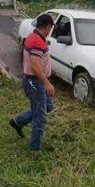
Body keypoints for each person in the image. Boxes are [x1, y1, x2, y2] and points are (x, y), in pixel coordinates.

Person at [9, 13, 56, 152]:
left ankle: (18, 121)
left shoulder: (36, 36)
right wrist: (47, 83)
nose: (51, 30)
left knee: (48, 106)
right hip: (34, 82)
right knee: (40, 117)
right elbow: (35, 66)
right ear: (48, 27)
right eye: (51, 27)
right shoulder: (36, 41)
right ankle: (35, 150)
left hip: (37, 81)